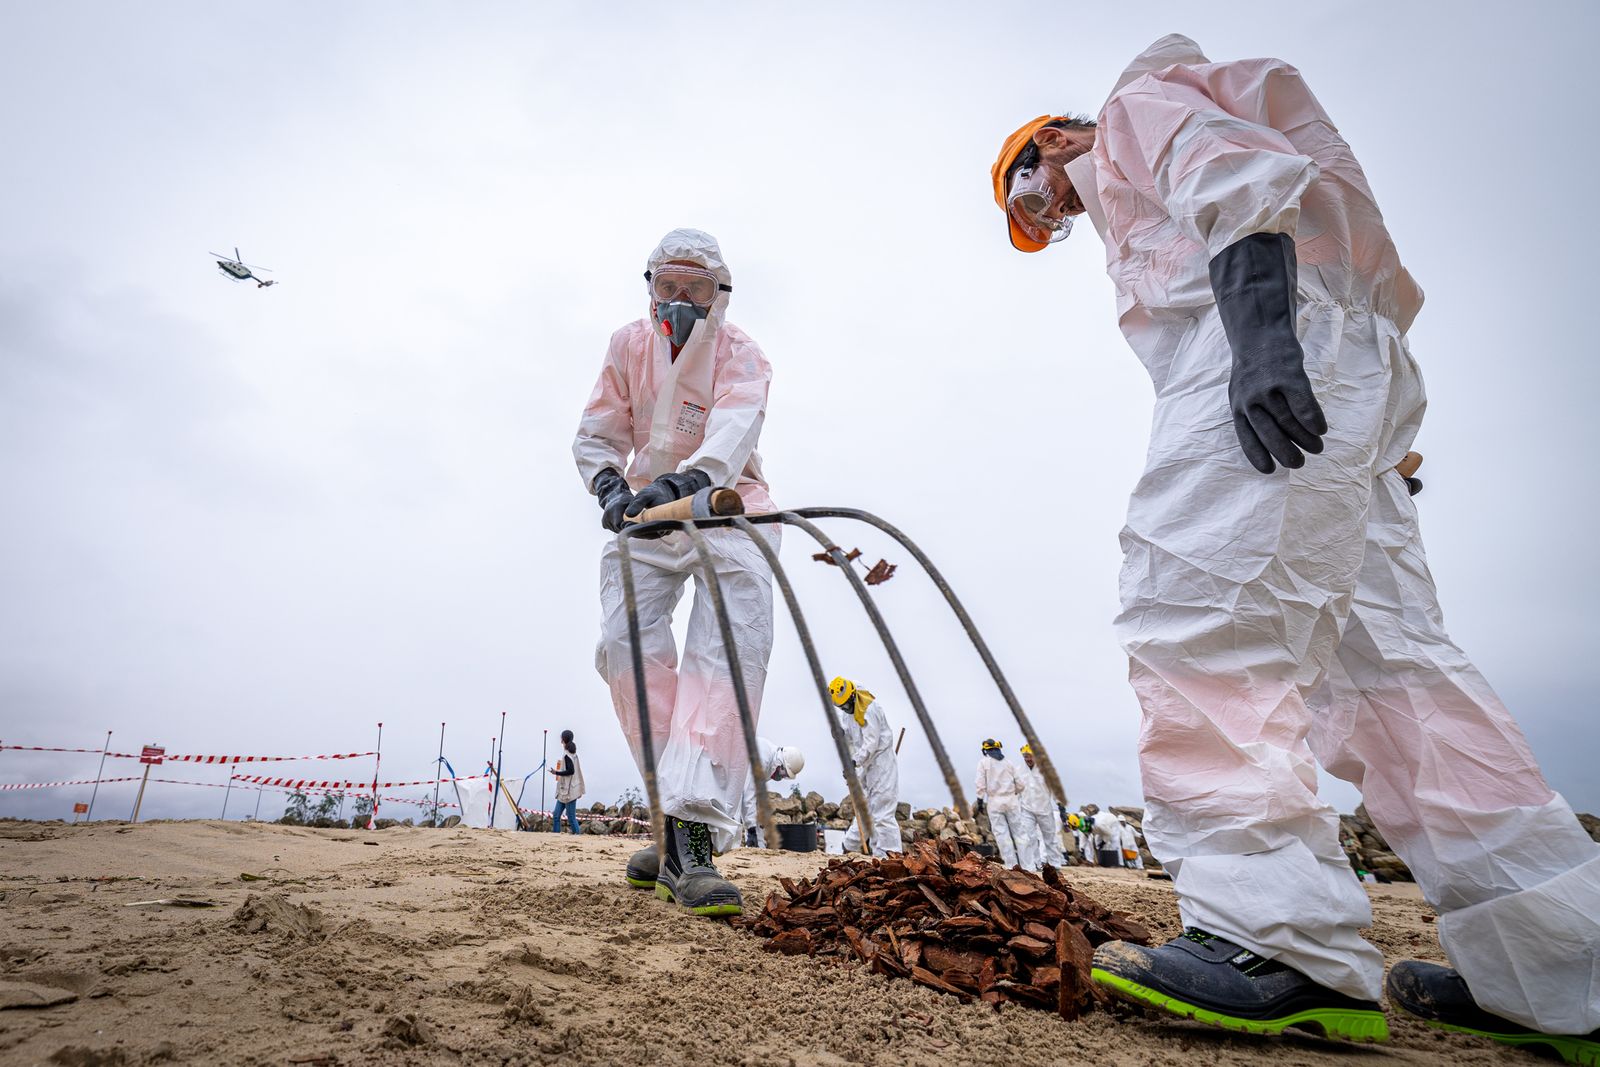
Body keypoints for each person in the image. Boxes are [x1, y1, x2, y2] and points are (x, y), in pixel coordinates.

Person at [989, 33, 1600, 1054]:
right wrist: (1369, 441)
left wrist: (1262, 337)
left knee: (1199, 617)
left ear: (1049, 142)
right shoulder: (1144, 172)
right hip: (1343, 373)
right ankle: (1557, 964)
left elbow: (1238, 182)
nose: (1050, 219)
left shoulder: (1134, 109)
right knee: (1395, 677)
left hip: (1264, 345)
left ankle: (1275, 941)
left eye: (1035, 198)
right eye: (1038, 223)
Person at [574, 228, 779, 918]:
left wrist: (685, 484)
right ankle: (669, 815)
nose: (679, 301)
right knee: (624, 642)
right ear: (651, 287)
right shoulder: (627, 345)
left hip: (727, 505)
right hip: (644, 514)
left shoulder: (742, 353)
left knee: (729, 642)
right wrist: (608, 485)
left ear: (717, 294)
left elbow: (732, 431)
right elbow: (599, 429)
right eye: (668, 288)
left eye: (694, 289)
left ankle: (691, 838)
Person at [830, 677, 902, 857]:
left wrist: (854, 762)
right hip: (864, 766)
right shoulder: (848, 708)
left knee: (882, 811)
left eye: (847, 706)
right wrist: (840, 733)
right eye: (842, 707)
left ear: (853, 696)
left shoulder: (869, 708)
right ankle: (849, 845)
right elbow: (849, 733)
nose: (846, 709)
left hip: (880, 763)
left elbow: (871, 743)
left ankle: (888, 855)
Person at [734, 737, 806, 847]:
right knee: (731, 823)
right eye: (784, 773)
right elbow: (749, 795)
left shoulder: (771, 759)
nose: (782, 777)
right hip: (728, 781)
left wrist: (760, 842)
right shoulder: (763, 757)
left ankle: (759, 849)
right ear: (781, 763)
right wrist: (751, 829)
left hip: (738, 784)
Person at [973, 739, 1033, 869]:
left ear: (986, 750)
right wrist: (1014, 793)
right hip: (1012, 801)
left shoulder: (983, 763)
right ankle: (1029, 867)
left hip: (994, 802)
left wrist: (980, 799)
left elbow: (980, 783)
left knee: (1002, 835)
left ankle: (1012, 866)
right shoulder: (1008, 763)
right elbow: (1021, 784)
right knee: (1020, 833)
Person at [1016, 743, 1064, 871]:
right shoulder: (1020, 770)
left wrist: (1061, 806)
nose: (1029, 759)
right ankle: (1033, 866)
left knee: (1050, 838)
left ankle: (1055, 865)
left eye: (1031, 756)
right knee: (1029, 838)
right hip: (1026, 809)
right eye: (1026, 756)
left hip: (1044, 809)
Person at [548, 729, 584, 834]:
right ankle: (556, 837)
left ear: (564, 739)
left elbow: (570, 771)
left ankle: (578, 837)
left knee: (571, 817)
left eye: (561, 739)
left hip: (569, 790)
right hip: (565, 790)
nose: (560, 741)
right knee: (556, 815)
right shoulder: (573, 754)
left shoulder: (568, 755)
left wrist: (556, 772)